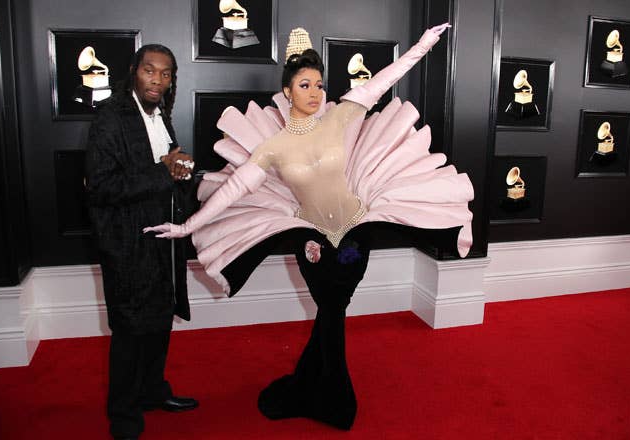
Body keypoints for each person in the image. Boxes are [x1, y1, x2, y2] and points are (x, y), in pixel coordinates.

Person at [146, 24, 473, 430]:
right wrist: (186, 227)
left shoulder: (339, 116)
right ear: (288, 93)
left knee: (334, 308)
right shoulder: (273, 148)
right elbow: (230, 191)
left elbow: (389, 77)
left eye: (319, 83)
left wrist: (424, 44)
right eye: (305, 85)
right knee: (331, 309)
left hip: (356, 234)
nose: (316, 92)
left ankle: (317, 385)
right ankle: (335, 398)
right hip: (313, 241)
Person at [85, 43, 198, 440]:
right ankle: (124, 415)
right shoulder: (110, 119)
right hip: (127, 243)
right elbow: (101, 187)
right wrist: (164, 172)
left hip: (162, 239)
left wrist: (180, 171)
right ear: (134, 70)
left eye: (165, 74)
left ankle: (153, 392)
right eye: (150, 71)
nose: (158, 80)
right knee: (131, 331)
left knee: (158, 323)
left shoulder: (160, 115)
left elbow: (164, 170)